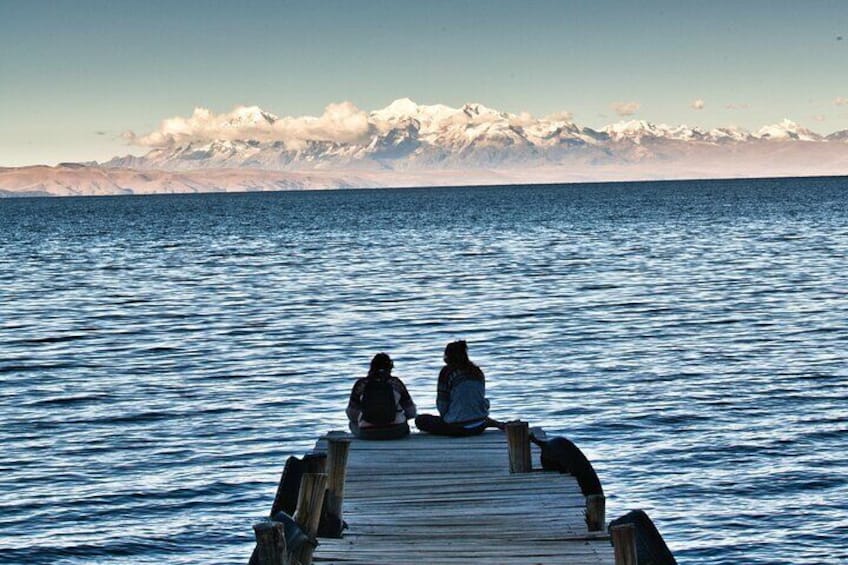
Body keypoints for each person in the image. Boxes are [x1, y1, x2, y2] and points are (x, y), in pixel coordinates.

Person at [415, 340, 500, 436]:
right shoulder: (477, 372)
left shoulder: (447, 372)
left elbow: (442, 405)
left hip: (458, 427)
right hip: (479, 425)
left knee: (420, 420)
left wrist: (448, 418)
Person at [347, 353, 416, 440]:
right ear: (390, 368)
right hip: (396, 431)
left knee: (352, 424)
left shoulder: (361, 384)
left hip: (368, 433)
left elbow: (351, 414)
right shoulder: (396, 383)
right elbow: (411, 412)